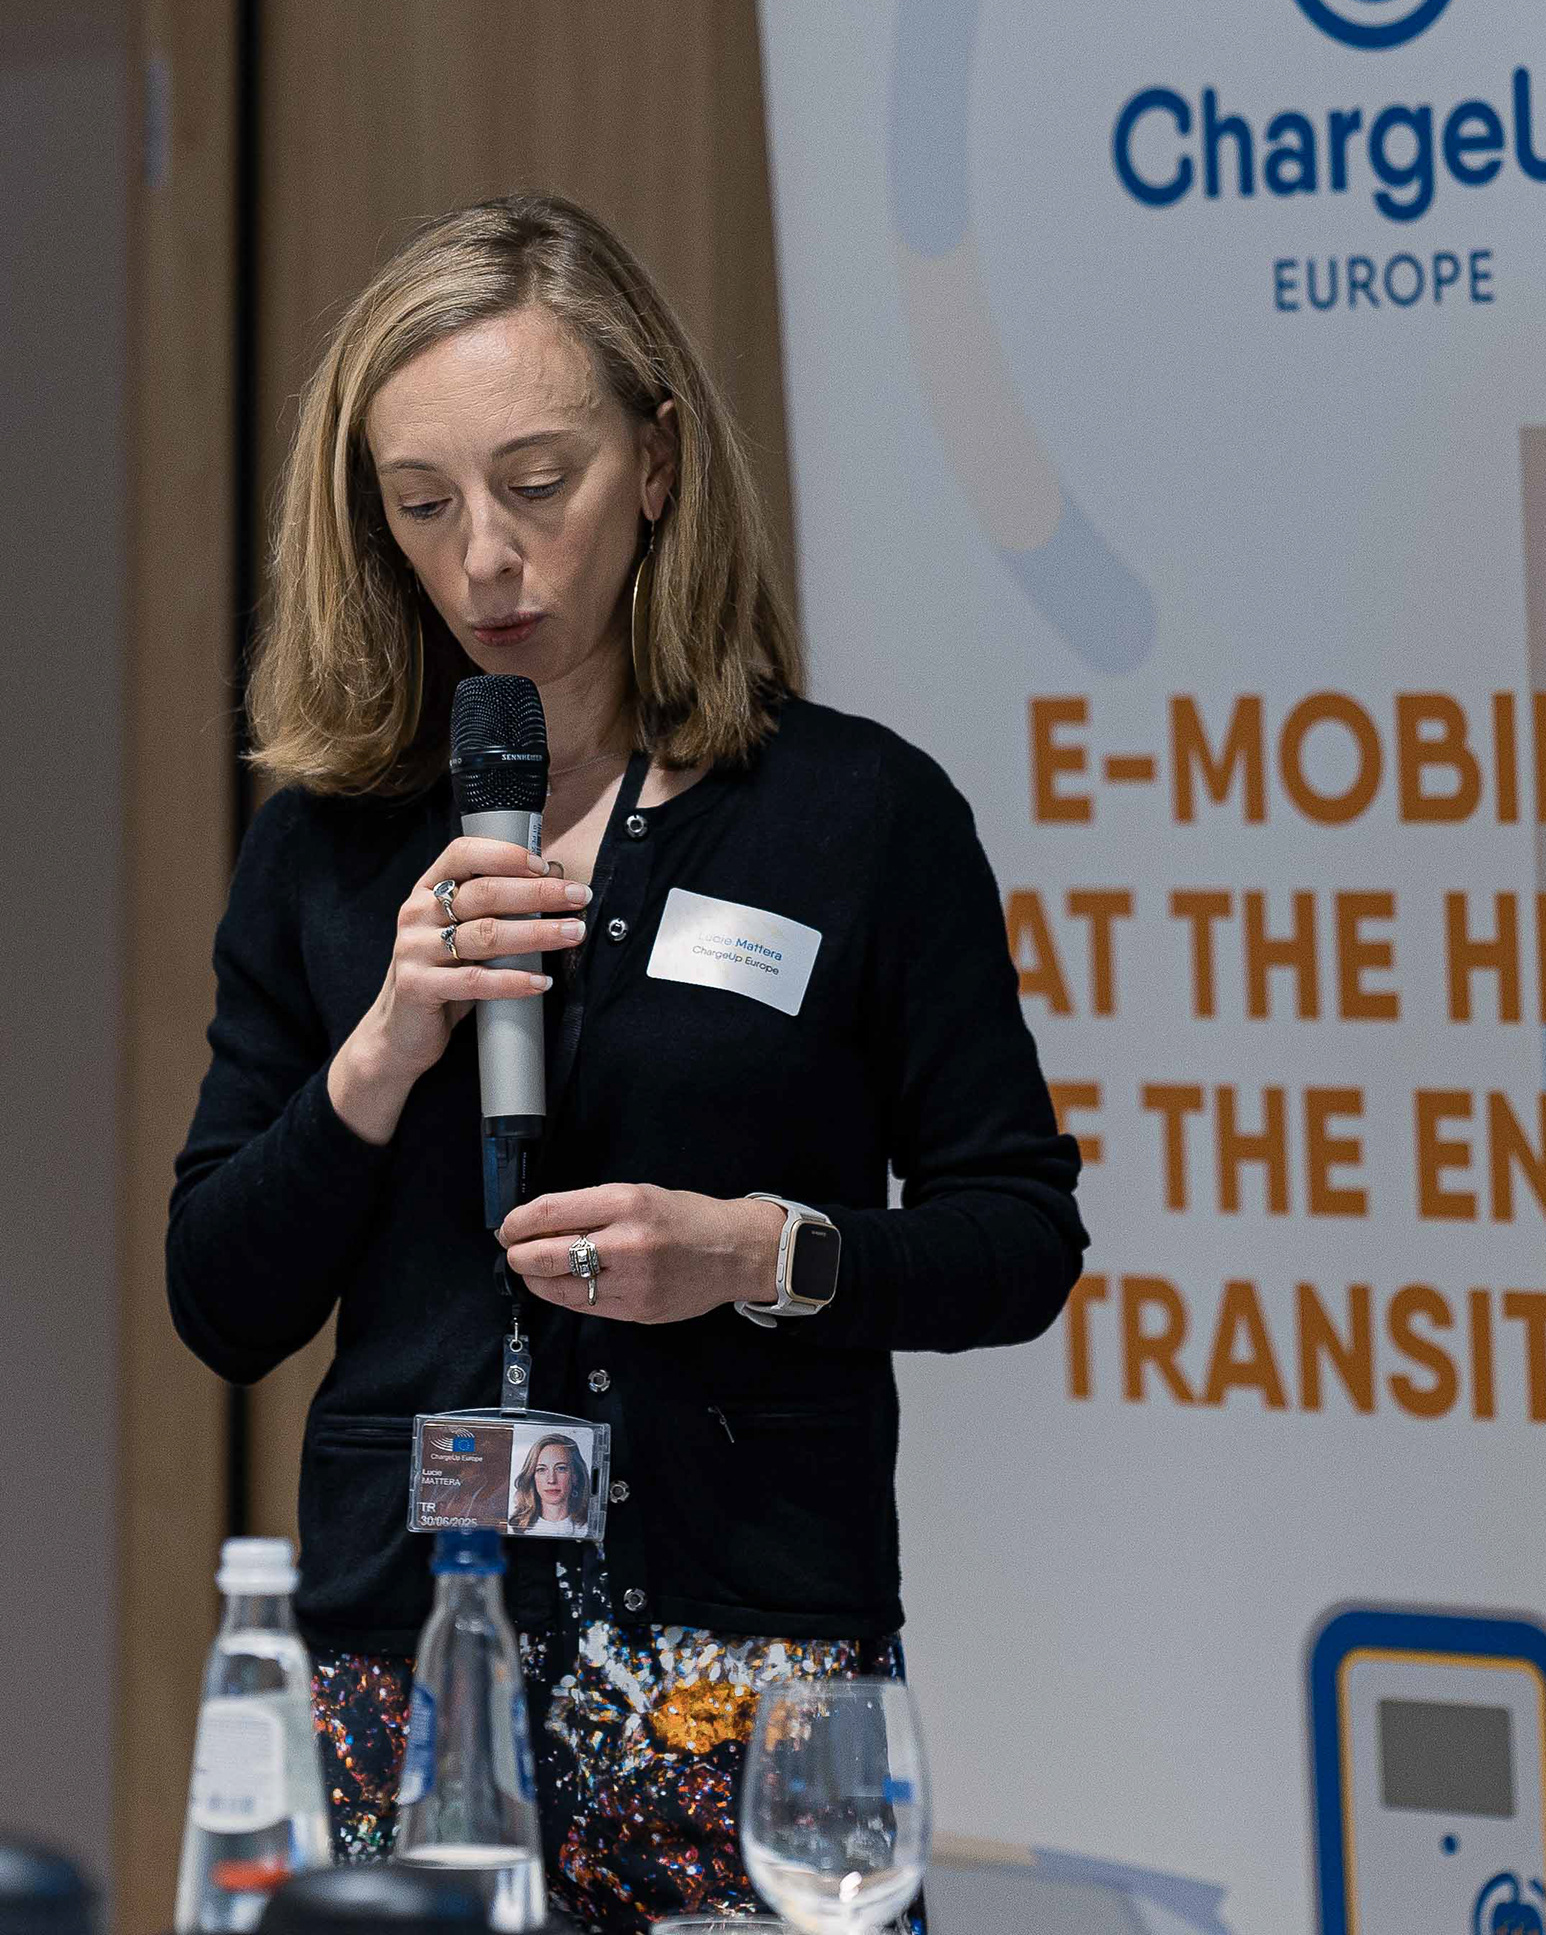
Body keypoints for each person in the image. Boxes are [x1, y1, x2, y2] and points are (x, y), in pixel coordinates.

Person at [167, 192, 1086, 1927]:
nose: (484, 561)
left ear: (656, 463)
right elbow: (219, 1301)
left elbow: (1020, 1237)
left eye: (538, 483)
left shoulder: (856, 815)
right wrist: (382, 1048)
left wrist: (760, 1251)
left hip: (750, 1677)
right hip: (409, 1662)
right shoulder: (324, 851)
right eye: (422, 504)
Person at [510, 1432, 592, 1539]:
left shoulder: (589, 1528)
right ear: (532, 1477)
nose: (551, 1480)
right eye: (541, 1470)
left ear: (575, 1476)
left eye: (561, 1468)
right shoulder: (514, 1528)